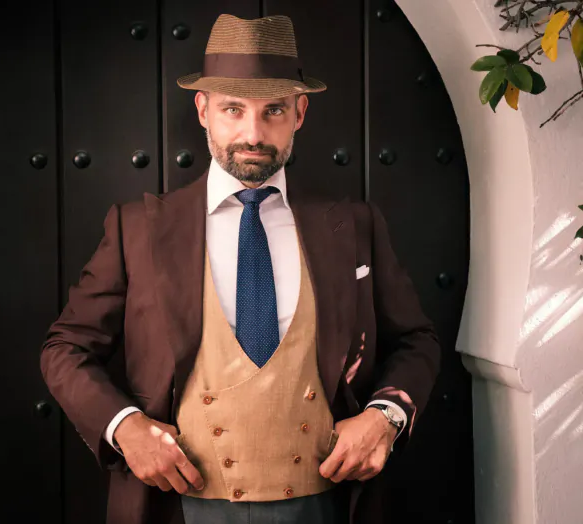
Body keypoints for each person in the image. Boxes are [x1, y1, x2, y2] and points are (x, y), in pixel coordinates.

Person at [41, 13, 440, 524]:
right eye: (233, 109)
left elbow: (417, 339)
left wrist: (387, 417)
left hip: (327, 502)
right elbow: (64, 349)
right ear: (203, 110)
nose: (253, 134)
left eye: (272, 110)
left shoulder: (355, 225)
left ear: (300, 112)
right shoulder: (137, 227)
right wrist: (124, 426)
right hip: (177, 506)